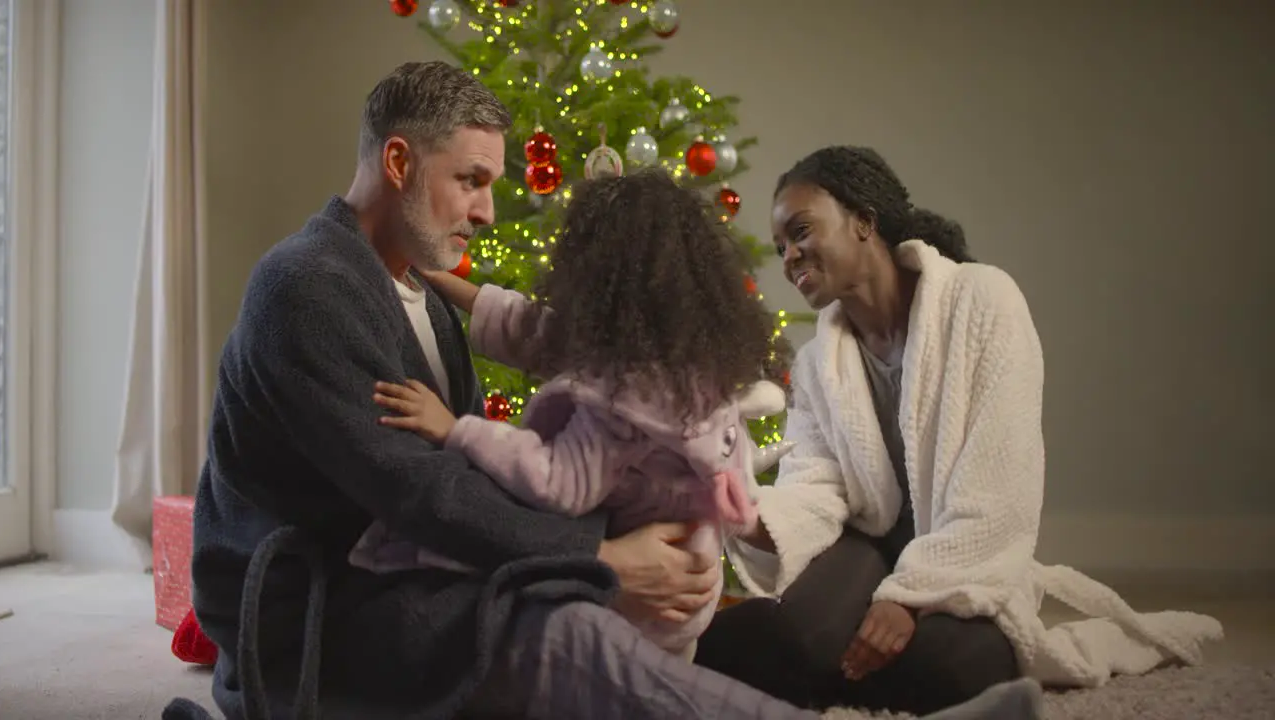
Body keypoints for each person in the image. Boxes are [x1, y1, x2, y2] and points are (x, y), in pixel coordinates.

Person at [172, 62, 1048, 720]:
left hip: (412, 575)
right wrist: (594, 559)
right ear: (398, 160)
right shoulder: (308, 285)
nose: (485, 210)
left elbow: (544, 366)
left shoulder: (421, 296)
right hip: (325, 611)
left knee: (604, 626)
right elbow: (419, 485)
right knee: (574, 630)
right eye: (471, 180)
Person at [694, 145, 1225, 716]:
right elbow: (816, 489)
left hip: (960, 553)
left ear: (864, 221)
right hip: (865, 543)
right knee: (795, 636)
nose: (790, 256)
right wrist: (752, 517)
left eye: (801, 232)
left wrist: (912, 597)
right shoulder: (817, 365)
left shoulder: (983, 301)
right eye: (780, 247)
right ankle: (708, 656)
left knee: (951, 667)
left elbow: (1000, 486)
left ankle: (830, 670)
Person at [347, 168, 788, 662]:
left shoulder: (625, 408)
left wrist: (457, 430)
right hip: (687, 605)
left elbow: (559, 482)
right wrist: (436, 276)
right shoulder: (689, 363)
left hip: (640, 613)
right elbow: (533, 329)